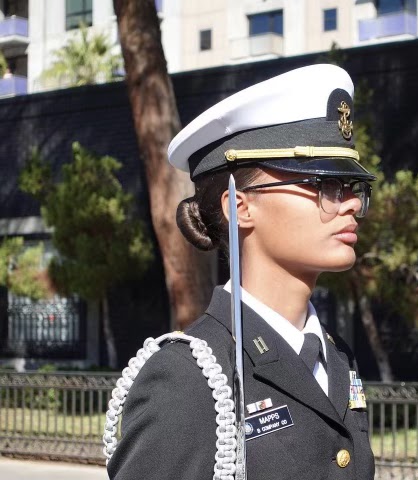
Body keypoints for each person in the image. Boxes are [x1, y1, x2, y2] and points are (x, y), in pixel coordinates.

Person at [107, 64, 376, 480]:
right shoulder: (188, 377)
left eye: (351, 187)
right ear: (240, 206)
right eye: (321, 184)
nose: (352, 205)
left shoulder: (337, 357)